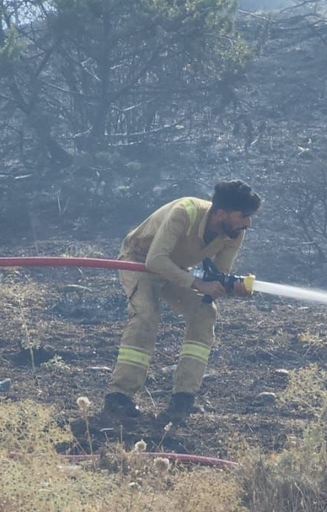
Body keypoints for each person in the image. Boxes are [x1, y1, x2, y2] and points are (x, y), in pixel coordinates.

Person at [104, 180, 261, 425]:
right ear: (221, 214)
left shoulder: (234, 233)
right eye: (244, 215)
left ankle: (184, 397)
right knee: (146, 314)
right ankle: (119, 396)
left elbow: (217, 276)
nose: (248, 223)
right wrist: (197, 284)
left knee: (204, 312)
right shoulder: (184, 213)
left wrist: (233, 288)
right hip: (139, 261)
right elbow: (155, 260)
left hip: (176, 269)